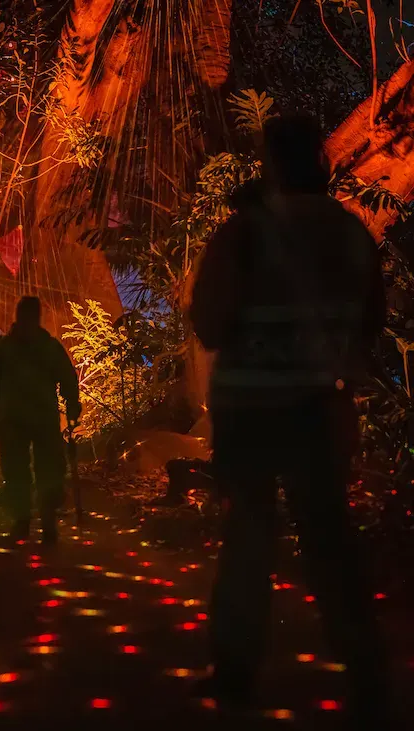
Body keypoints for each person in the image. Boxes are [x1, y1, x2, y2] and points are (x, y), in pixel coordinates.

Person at [189, 113, 390, 725]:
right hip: (318, 410)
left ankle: (236, 671)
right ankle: (365, 669)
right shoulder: (349, 231)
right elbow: (371, 323)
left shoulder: (244, 232)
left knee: (249, 538)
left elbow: (210, 322)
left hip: (249, 411)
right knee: (330, 537)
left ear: (271, 162)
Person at [0, 296, 80, 544]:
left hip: (17, 417)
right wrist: (71, 406)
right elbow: (68, 378)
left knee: (18, 469)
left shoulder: (5, 347)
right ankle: (43, 521)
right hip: (39, 415)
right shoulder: (47, 346)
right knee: (45, 468)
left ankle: (24, 520)